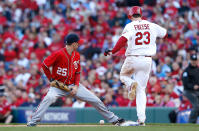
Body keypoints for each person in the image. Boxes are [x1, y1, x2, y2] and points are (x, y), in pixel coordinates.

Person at [27, 33, 124, 126]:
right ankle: (33, 121)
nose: (79, 44)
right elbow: (44, 65)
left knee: (95, 100)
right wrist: (51, 79)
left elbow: (77, 73)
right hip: (58, 86)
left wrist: (76, 86)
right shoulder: (58, 54)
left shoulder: (76, 55)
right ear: (73, 44)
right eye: (78, 42)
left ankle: (114, 119)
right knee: (49, 98)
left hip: (73, 86)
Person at [104, 6, 167, 126]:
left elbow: (123, 40)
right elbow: (165, 34)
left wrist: (113, 51)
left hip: (133, 58)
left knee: (123, 76)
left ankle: (130, 83)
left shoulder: (130, 26)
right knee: (141, 90)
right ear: (141, 14)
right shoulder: (151, 25)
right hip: (147, 60)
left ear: (130, 16)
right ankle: (141, 119)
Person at [182, 54, 199, 123]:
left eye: (195, 60)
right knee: (196, 106)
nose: (194, 62)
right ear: (190, 60)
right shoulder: (186, 70)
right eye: (193, 60)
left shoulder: (198, 69)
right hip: (188, 91)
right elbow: (185, 83)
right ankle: (191, 122)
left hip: (197, 91)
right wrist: (193, 86)